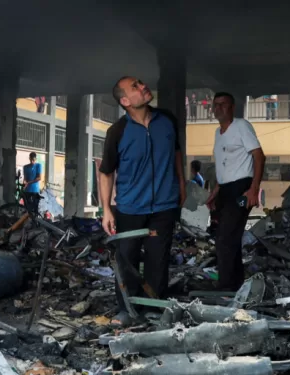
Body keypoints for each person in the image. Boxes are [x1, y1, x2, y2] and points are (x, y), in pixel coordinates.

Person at [99, 76, 186, 325]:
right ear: (125, 101)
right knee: (127, 260)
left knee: (158, 259)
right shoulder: (118, 131)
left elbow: (176, 152)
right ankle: (127, 309)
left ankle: (155, 308)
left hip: (165, 206)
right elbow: (106, 172)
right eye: (135, 87)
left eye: (140, 82)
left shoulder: (167, 120)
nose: (143, 86)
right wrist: (106, 209)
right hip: (130, 208)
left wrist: (181, 183)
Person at [205, 93, 265, 291]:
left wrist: (253, 189)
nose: (218, 108)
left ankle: (226, 285)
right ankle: (235, 283)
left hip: (241, 191)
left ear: (232, 107)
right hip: (225, 191)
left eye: (223, 104)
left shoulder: (241, 126)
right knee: (228, 237)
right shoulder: (217, 133)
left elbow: (259, 156)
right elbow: (224, 165)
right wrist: (216, 190)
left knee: (225, 236)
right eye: (215, 105)